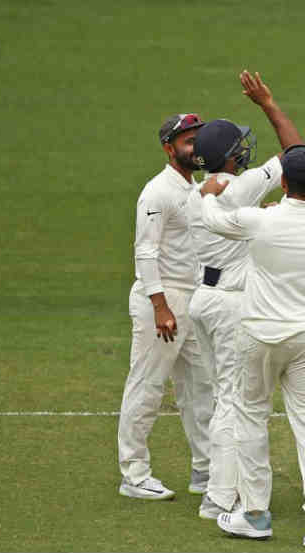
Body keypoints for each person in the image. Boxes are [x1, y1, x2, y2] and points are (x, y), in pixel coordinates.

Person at [201, 145, 305, 548]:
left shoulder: (260, 220)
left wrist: (208, 194)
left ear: (284, 183)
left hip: (258, 335)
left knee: (251, 416)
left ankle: (255, 514)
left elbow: (212, 220)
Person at [187, 71, 304, 520]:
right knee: (235, 401)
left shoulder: (200, 193)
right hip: (232, 303)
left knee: (223, 397)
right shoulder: (241, 186)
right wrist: (269, 105)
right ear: (232, 157)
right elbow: (298, 154)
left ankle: (218, 486)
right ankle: (220, 496)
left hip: (204, 299)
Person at [117, 113, 213, 501]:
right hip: (163, 301)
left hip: (192, 300)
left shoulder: (195, 188)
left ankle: (206, 470)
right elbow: (145, 251)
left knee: (201, 388)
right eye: (188, 141)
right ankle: (134, 474)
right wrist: (160, 306)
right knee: (147, 386)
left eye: (198, 140)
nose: (196, 147)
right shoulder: (157, 192)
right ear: (169, 148)